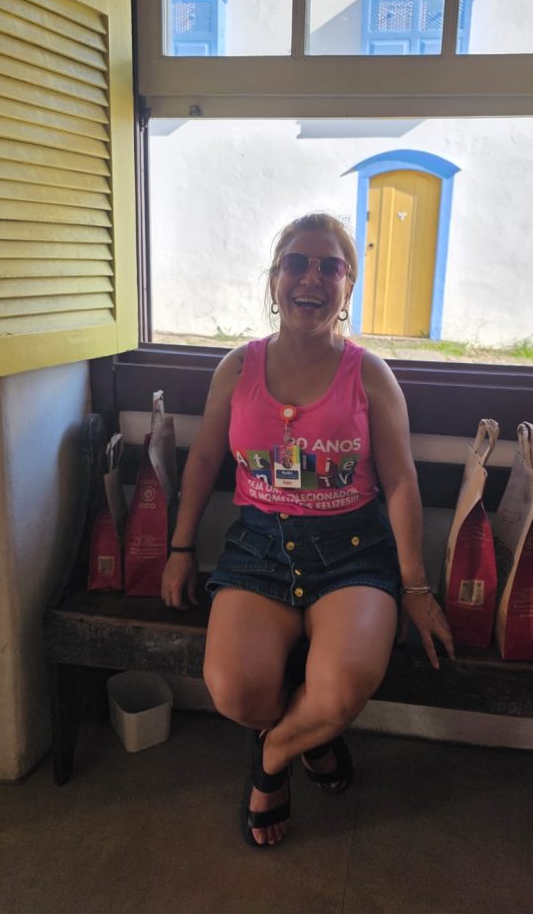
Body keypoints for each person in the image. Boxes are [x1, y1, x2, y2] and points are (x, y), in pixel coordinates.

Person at [161, 212, 455, 847]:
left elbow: (401, 482)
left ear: (348, 286)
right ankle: (312, 745)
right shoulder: (237, 368)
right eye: (296, 263)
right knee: (236, 692)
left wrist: (415, 587)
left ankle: (272, 758)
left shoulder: (368, 374)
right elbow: (206, 459)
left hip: (353, 551)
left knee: (342, 690)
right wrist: (180, 547)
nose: (311, 279)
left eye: (330, 267)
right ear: (275, 279)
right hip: (258, 547)